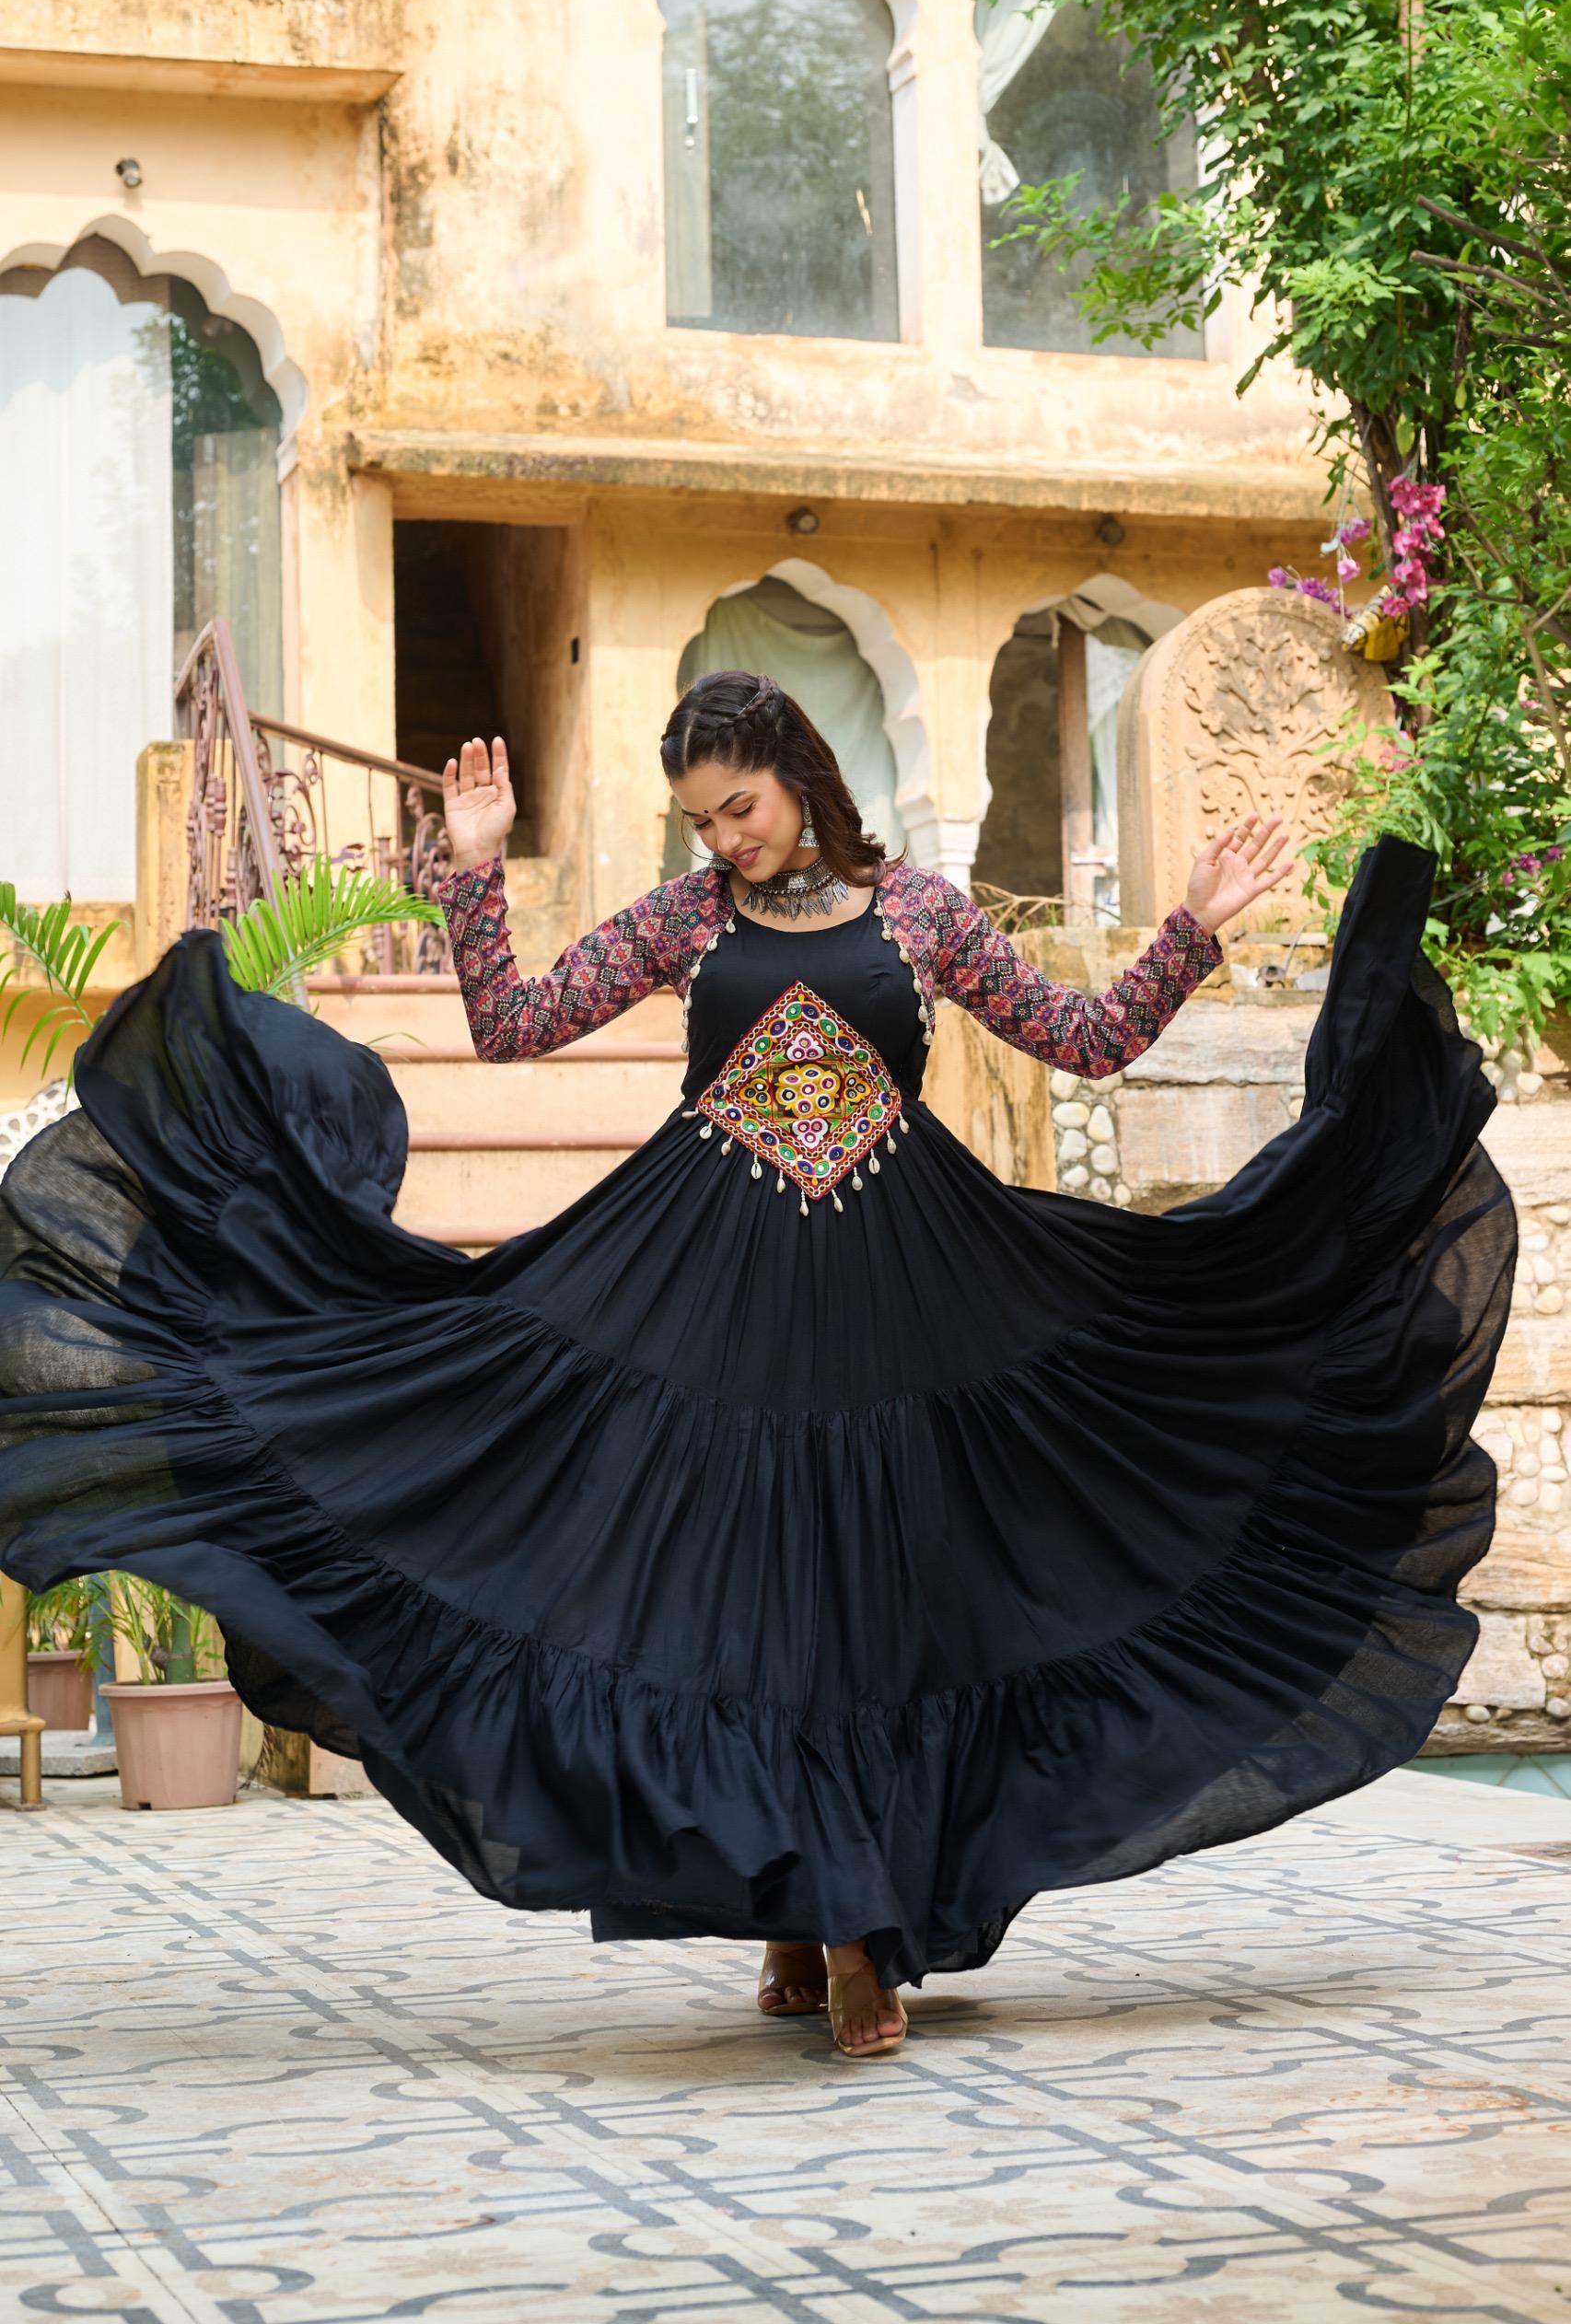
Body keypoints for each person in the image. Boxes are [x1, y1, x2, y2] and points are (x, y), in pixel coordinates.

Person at [0, 670, 1516, 2063]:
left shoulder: (917, 911)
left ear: (799, 773)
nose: (723, 839)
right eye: (700, 820)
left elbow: (1088, 1035)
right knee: (756, 1602)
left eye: (739, 805)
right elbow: (513, 1027)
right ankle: (803, 1923)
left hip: (905, 1300)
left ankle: (856, 1933)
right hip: (707, 1295)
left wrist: (1187, 922)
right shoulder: (685, 921)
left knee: (877, 1598)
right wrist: (473, 865)